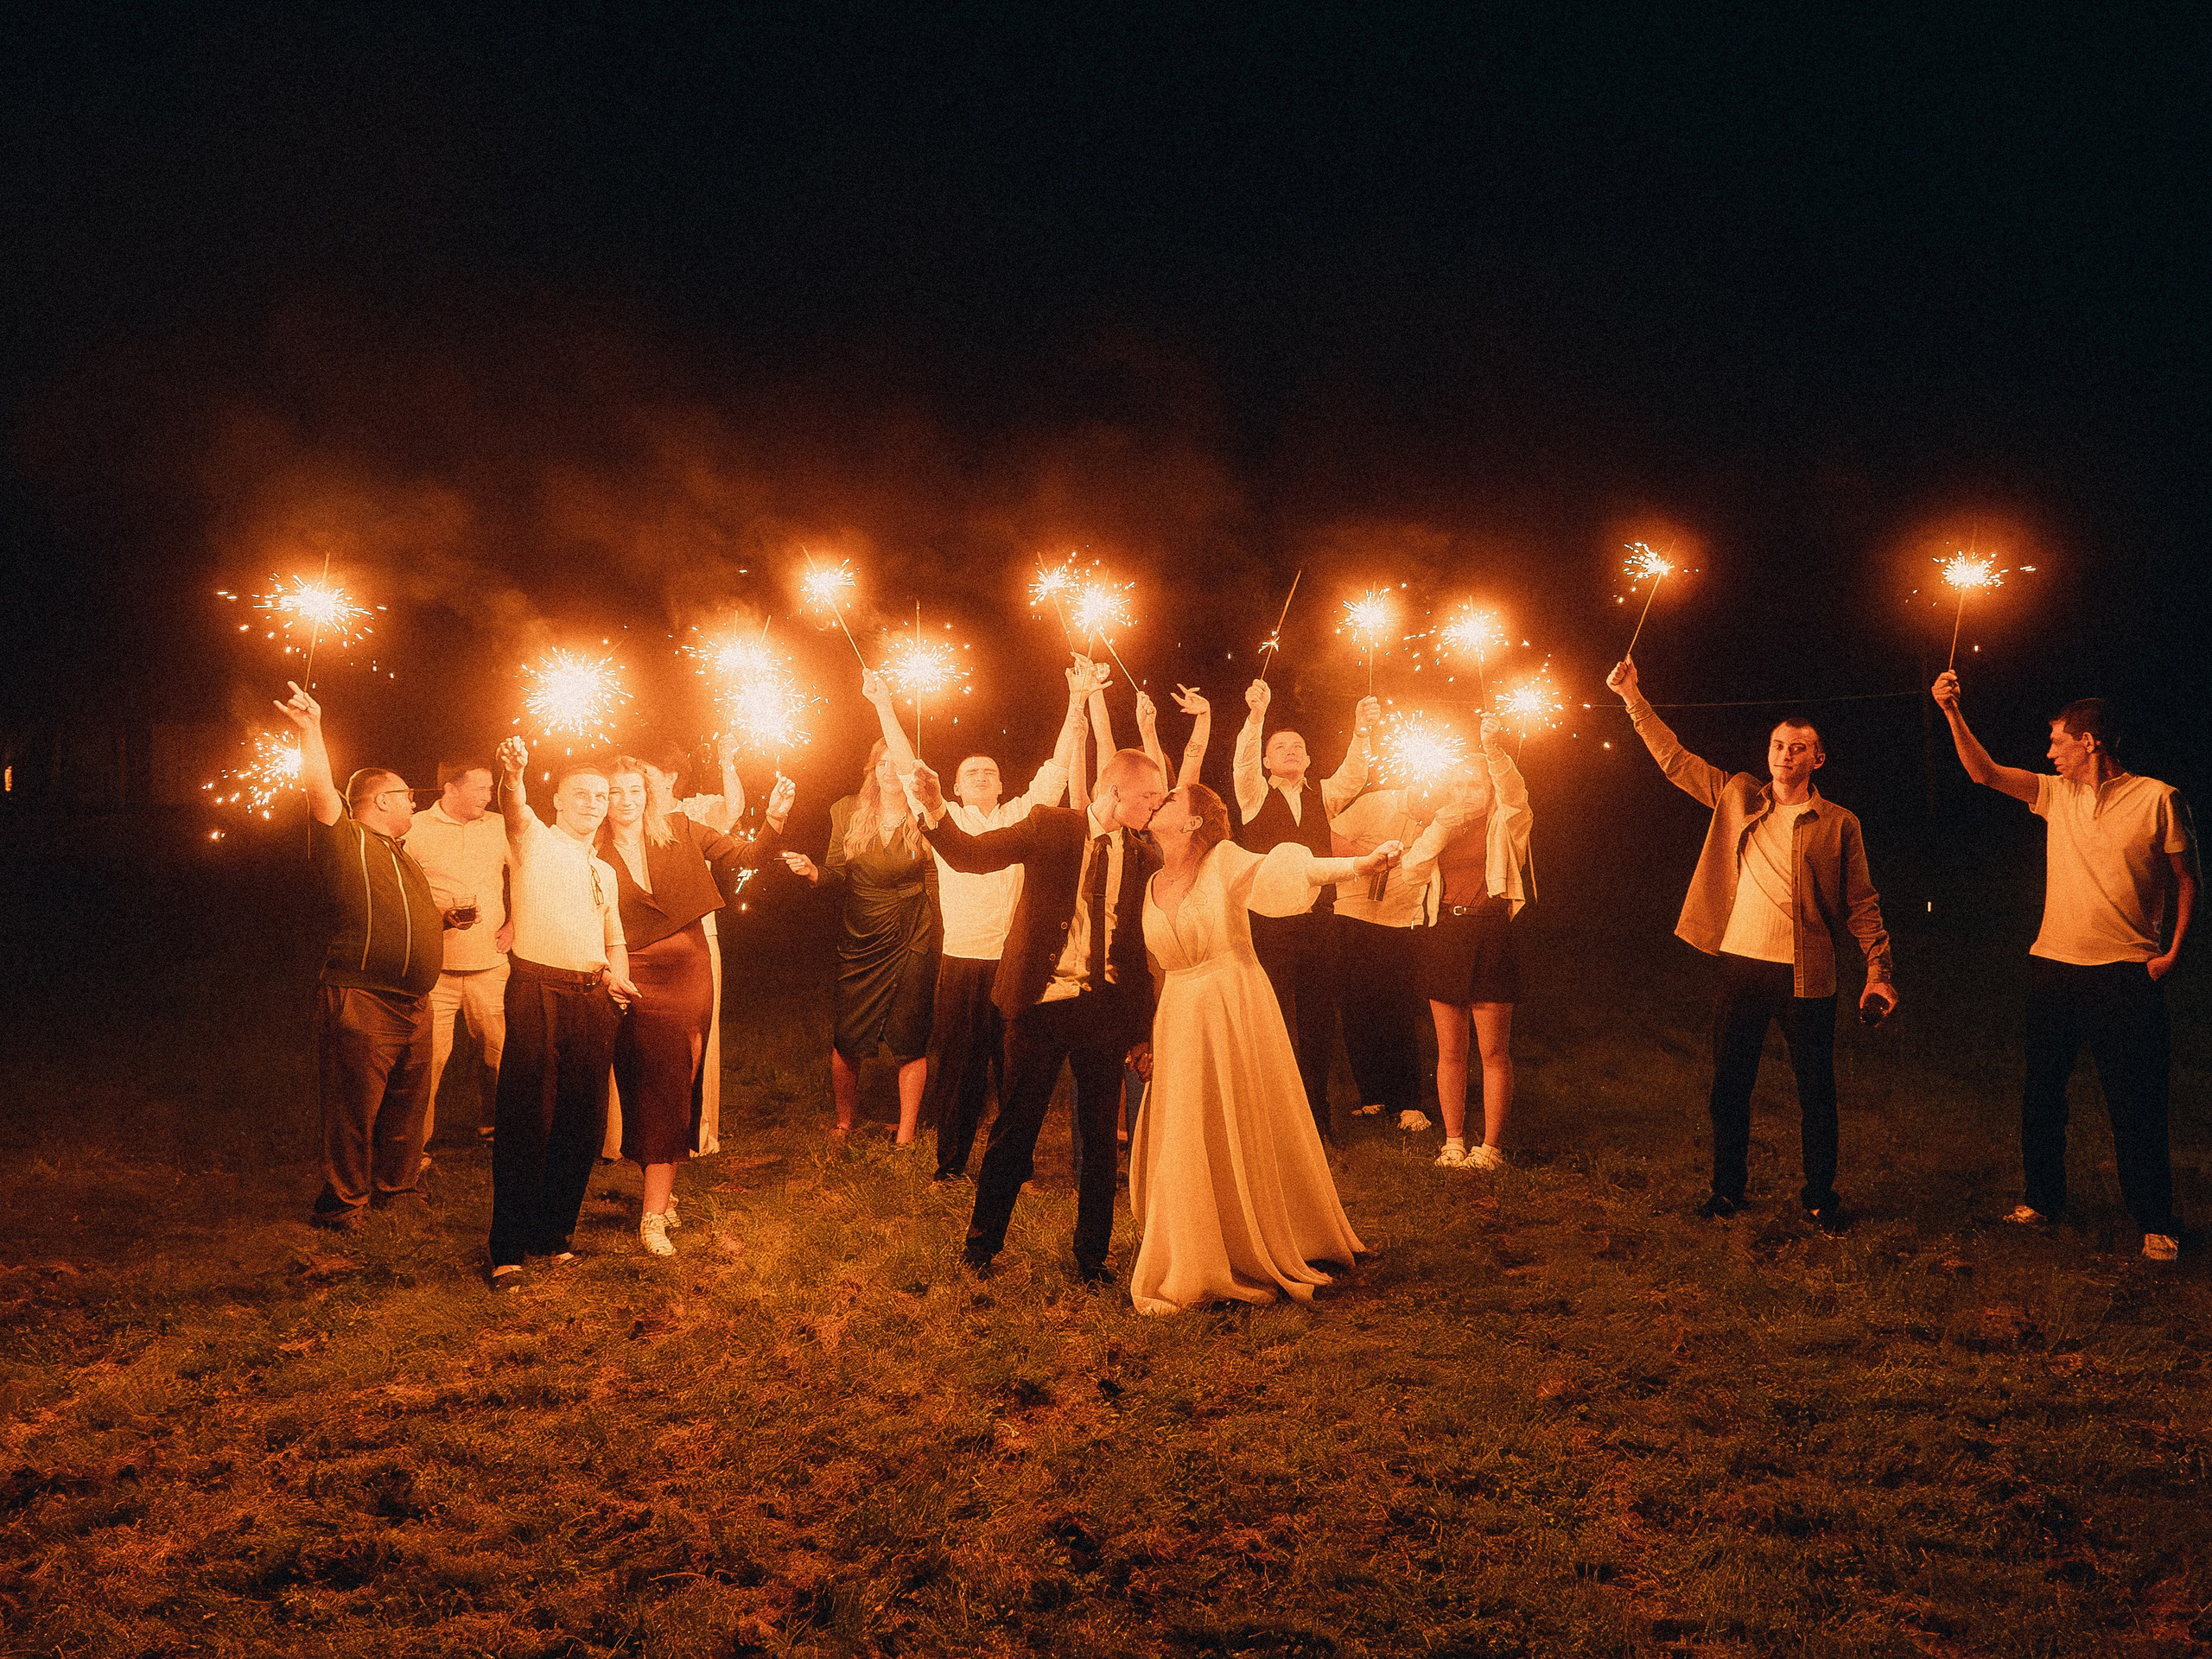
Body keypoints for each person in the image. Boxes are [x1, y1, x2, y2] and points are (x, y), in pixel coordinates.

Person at [1607, 659, 1897, 1231]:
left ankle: (1819, 1197)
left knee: (1816, 1089)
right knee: (1729, 1086)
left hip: (1806, 972)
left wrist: (1878, 969)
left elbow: (1863, 902)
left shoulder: (1838, 823)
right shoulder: (1738, 794)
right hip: (1740, 965)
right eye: (1777, 745)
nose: (1785, 755)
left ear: (1818, 758)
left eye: (1798, 748)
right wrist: (1631, 697)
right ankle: (1726, 1191)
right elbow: (1675, 761)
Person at [1932, 671, 2195, 1261]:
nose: (2049, 753)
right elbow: (1985, 772)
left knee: (2135, 1099)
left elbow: (2187, 880)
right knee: (2043, 1093)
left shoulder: (2159, 798)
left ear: (2090, 742)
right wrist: (1951, 712)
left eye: (2058, 742)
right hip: (2053, 965)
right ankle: (2044, 1200)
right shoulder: (2056, 795)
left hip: (2125, 972)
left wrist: (2172, 952)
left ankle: (2155, 1218)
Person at [904, 745, 1167, 1286]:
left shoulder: (1143, 857)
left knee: (1098, 1138)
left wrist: (1141, 1032)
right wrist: (933, 810)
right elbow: (972, 854)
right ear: (1116, 791)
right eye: (1148, 798)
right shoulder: (1051, 828)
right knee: (1015, 1128)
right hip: (1039, 1004)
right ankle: (980, 1249)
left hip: (1103, 1008)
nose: (1155, 808)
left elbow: (1139, 951)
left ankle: (1092, 1258)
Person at [1129, 783, 1397, 1313]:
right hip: (1179, 1013)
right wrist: (1148, 1037)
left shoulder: (1224, 859)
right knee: (1189, 1125)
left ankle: (1264, 1234)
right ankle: (1196, 1242)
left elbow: (1288, 872)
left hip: (1232, 1001)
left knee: (1242, 1117)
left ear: (1193, 823)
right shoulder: (1152, 881)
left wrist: (1360, 865)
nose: (1156, 804)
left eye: (1169, 802)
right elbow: (1158, 967)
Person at [862, 659, 1090, 1179]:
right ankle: (950, 1164)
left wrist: (1076, 703)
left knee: (1015, 1071)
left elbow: (1056, 767)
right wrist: (883, 706)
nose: (982, 776)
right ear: (957, 788)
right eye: (971, 773)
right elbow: (907, 769)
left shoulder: (1021, 817)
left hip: (1014, 963)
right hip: (962, 963)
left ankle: (1013, 1161)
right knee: (961, 1070)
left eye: (989, 771)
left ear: (1002, 783)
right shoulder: (947, 818)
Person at [273, 683, 451, 1230]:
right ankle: (344, 1202)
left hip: (413, 1001)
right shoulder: (346, 839)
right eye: (405, 793)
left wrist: (439, 921)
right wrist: (312, 731)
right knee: (355, 1108)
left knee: (407, 1103)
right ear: (378, 800)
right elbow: (321, 789)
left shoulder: (405, 858)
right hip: (361, 997)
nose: (415, 799)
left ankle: (396, 1189)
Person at [601, 753, 792, 1255]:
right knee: (655, 1078)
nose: (626, 801)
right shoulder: (591, 847)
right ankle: (653, 1212)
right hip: (631, 972)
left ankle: (659, 1198)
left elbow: (747, 856)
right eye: (616, 791)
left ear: (649, 793)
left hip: (689, 970)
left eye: (635, 790)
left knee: (679, 1076)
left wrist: (774, 818)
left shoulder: (681, 828)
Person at [487, 739, 637, 1288]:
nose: (594, 803)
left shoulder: (605, 871)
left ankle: (553, 1235)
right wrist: (514, 772)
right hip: (536, 991)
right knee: (528, 1117)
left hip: (594, 999)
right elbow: (512, 804)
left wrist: (616, 976)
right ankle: (506, 1249)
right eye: (581, 794)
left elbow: (614, 938)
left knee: (583, 1120)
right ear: (556, 800)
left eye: (602, 795)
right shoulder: (532, 841)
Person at [1232, 679, 1381, 1144]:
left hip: (1318, 922)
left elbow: (1354, 776)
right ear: (1267, 760)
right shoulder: (1253, 794)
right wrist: (1256, 717)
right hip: (1267, 925)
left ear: (1309, 759)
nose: (1291, 751)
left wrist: (1360, 731)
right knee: (1271, 1019)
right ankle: (1270, 1121)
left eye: (1298, 746)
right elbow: (1241, 761)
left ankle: (1318, 1123)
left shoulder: (1323, 793)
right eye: (1281, 747)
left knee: (1318, 1020)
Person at [783, 739, 942, 1144]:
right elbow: (837, 870)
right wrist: (813, 871)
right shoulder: (847, 810)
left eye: (897, 765)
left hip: (913, 932)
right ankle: (844, 1120)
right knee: (848, 1033)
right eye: (882, 764)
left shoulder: (925, 813)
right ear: (871, 769)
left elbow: (936, 877)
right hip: (863, 931)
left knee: (909, 1033)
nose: (889, 771)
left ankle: (906, 1132)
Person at [1399, 714, 1536, 1170]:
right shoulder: (1444, 825)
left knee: (1493, 1050)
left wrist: (1493, 751)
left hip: (1491, 933)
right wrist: (1441, 825)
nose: (1466, 793)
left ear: (1490, 788)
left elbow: (1515, 794)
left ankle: (1491, 1148)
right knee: (1450, 1051)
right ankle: (1454, 1141)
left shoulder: (1508, 823)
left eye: (1474, 785)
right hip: (1446, 935)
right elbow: (1412, 867)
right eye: (1457, 786)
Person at [406, 760, 512, 1159]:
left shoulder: (498, 826)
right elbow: (403, 887)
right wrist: (437, 919)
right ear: (451, 789)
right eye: (481, 788)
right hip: (436, 967)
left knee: (499, 1053)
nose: (489, 796)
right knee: (429, 1059)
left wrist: (514, 925)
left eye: (490, 788)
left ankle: (497, 1130)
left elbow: (521, 876)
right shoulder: (415, 829)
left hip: (490, 962)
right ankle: (414, 1148)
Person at [1329, 768, 1430, 1126]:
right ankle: (1371, 1096)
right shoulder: (1376, 803)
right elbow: (1335, 840)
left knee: (1398, 1011)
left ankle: (1409, 1102)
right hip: (1354, 916)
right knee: (1357, 1010)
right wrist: (1374, 857)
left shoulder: (1440, 817)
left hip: (1404, 921)